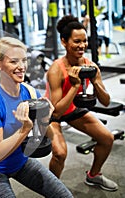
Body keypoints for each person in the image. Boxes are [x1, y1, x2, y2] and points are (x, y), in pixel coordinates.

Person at [0, 36, 73, 197]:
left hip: (20, 162)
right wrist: (25, 128)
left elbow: (49, 135)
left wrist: (44, 119)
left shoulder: (30, 92)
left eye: (24, 60)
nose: (21, 67)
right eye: (14, 61)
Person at [45, 15, 118, 191]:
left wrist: (94, 81)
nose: (82, 45)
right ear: (64, 42)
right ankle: (52, 190)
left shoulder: (89, 65)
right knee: (60, 153)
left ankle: (94, 176)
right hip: (50, 113)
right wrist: (75, 85)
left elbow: (106, 102)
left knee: (107, 138)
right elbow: (56, 112)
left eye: (85, 41)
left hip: (72, 109)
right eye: (77, 41)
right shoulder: (56, 70)